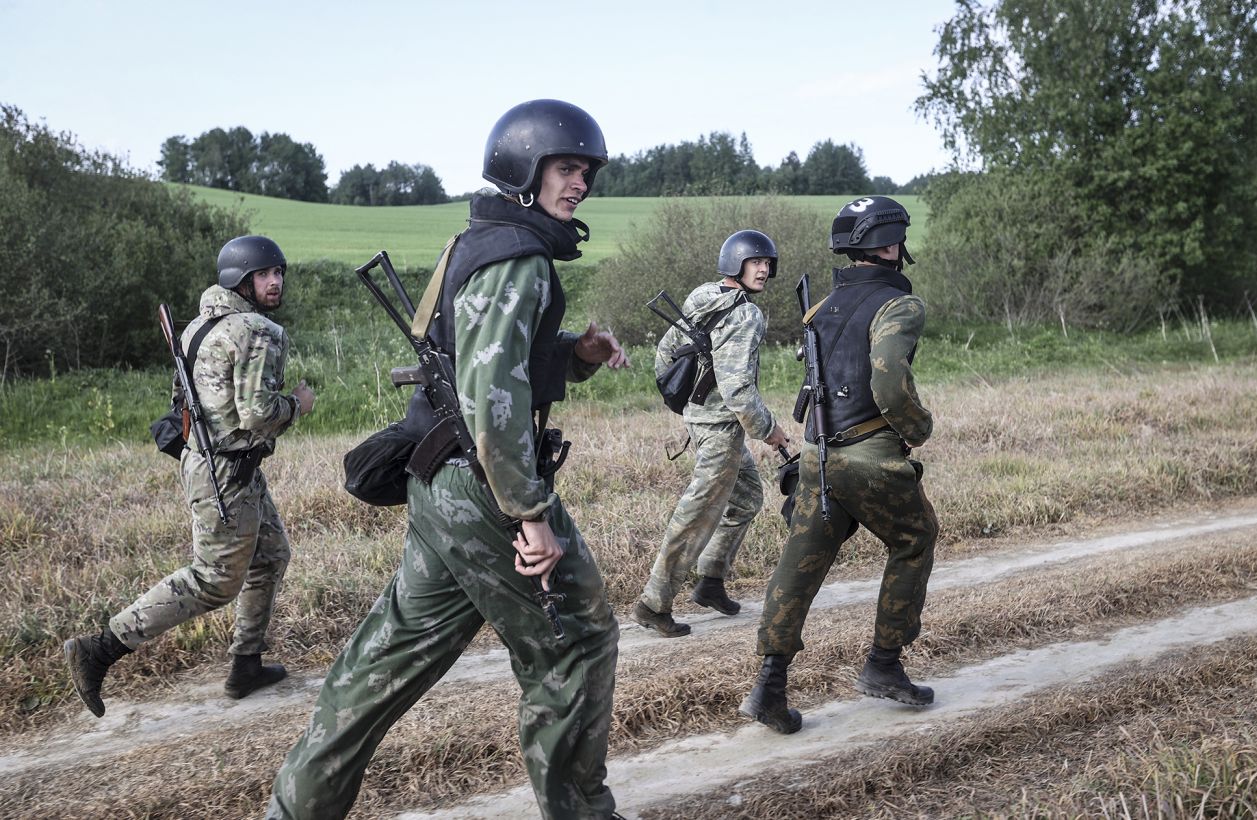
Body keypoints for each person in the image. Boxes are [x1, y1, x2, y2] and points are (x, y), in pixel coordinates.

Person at [265, 99, 629, 820]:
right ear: (522, 170)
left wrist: (575, 355)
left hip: (440, 478)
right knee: (578, 641)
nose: (580, 183)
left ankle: (294, 810)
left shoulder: (477, 241)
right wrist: (529, 516)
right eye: (565, 167)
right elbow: (491, 396)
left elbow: (478, 360)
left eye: (586, 170)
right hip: (483, 485)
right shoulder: (518, 260)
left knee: (388, 657)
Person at [64, 235, 316, 717]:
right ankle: (99, 649)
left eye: (279, 271)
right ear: (241, 281)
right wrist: (298, 405)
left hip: (212, 462)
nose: (276, 280)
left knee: (270, 555)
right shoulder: (257, 331)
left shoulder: (198, 327)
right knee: (213, 581)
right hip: (227, 472)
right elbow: (259, 414)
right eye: (265, 274)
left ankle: (246, 664)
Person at [740, 196, 939, 734]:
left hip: (815, 455)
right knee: (915, 538)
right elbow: (889, 382)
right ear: (892, 244)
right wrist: (918, 427)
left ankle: (769, 686)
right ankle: (884, 665)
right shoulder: (900, 306)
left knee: (801, 562)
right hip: (871, 454)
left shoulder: (822, 306)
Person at [634, 231, 790, 638]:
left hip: (706, 420)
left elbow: (666, 352)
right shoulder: (745, 315)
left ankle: (710, 581)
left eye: (768, 263)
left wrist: (686, 404)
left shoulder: (702, 296)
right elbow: (739, 389)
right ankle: (654, 603)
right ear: (734, 264)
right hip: (721, 428)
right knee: (696, 515)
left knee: (746, 498)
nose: (764, 270)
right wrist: (770, 430)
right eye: (755, 262)